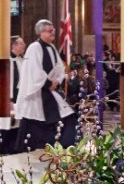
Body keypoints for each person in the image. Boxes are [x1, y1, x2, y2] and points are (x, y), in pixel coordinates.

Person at [14, 19, 77, 150]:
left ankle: (61, 145)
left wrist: (58, 81)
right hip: (38, 92)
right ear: (41, 32)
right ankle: (26, 147)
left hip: (50, 89)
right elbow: (34, 70)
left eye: (53, 30)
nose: (53, 32)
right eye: (50, 30)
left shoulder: (52, 47)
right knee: (33, 120)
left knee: (68, 116)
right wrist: (48, 83)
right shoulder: (34, 48)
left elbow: (59, 67)